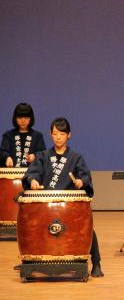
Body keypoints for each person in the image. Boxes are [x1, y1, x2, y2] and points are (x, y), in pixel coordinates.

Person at [22, 117, 104, 277]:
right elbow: (33, 173)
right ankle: (29, 259)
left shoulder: (76, 158)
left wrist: (81, 182)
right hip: (45, 207)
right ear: (50, 135)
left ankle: (97, 262)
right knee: (29, 224)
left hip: (69, 207)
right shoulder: (43, 156)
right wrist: (32, 181)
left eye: (62, 134)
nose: (58, 137)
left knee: (87, 228)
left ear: (69, 135)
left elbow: (85, 177)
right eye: (55, 134)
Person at [1, 103, 46, 167]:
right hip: (11, 173)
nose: (23, 121)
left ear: (31, 118)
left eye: (26, 117)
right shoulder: (8, 135)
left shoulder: (38, 136)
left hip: (32, 174)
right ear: (15, 118)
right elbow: (3, 152)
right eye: (20, 117)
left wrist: (34, 156)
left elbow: (43, 154)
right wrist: (7, 157)